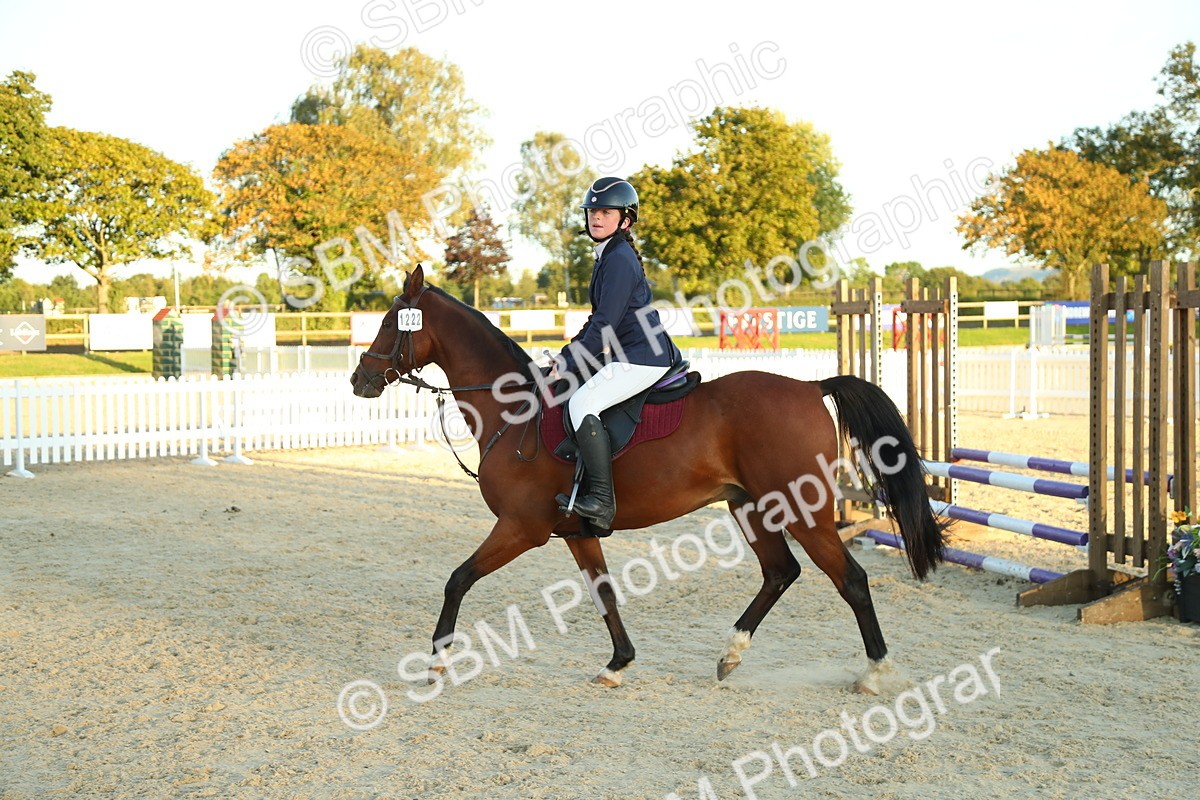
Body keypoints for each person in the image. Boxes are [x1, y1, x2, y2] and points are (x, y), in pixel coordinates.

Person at [551, 176, 681, 531]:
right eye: (592, 210)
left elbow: (605, 324)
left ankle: (602, 503)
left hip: (642, 356)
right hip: (629, 352)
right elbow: (599, 319)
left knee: (581, 404)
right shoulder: (608, 255)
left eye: (605, 211)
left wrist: (569, 360)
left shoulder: (619, 258)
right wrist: (567, 355)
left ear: (624, 220)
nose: (595, 217)